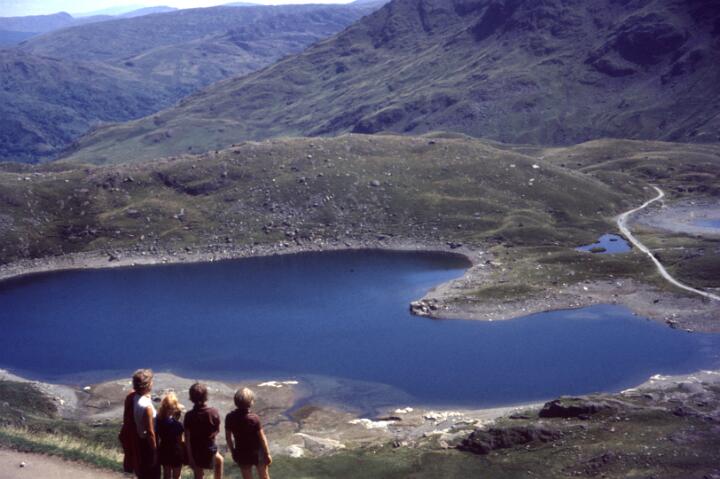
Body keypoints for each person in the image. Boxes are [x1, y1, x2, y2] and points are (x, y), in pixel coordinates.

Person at [120, 369, 161, 479]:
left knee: (142, 472)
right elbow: (150, 432)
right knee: (152, 474)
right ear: (147, 385)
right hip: (146, 444)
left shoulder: (131, 397)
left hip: (137, 440)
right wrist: (155, 452)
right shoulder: (147, 407)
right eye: (151, 381)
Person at [225, 387, 272, 479]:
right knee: (264, 476)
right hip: (257, 452)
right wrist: (267, 454)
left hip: (241, 451)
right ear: (251, 402)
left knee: (247, 477)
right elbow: (262, 438)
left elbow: (228, 437)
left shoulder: (230, 417)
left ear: (235, 402)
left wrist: (233, 452)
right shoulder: (254, 418)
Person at [184, 382, 224, 479]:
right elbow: (217, 430)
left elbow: (187, 437)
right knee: (220, 460)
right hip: (209, 449)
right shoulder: (213, 412)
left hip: (195, 450)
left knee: (198, 472)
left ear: (191, 398)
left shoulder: (189, 415)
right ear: (206, 396)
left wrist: (190, 457)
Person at [157, 392, 185, 479]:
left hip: (164, 449)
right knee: (177, 476)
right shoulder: (177, 425)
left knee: (166, 475)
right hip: (175, 452)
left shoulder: (159, 421)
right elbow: (180, 441)